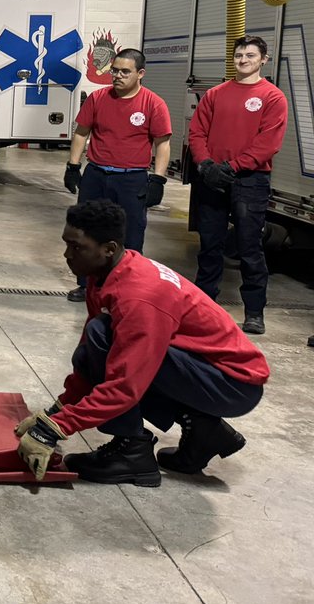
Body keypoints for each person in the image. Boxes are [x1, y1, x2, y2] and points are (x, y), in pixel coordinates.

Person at [14, 199, 269, 486]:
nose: (66, 255)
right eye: (66, 244)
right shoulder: (106, 275)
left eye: (77, 247)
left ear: (108, 249)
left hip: (232, 383)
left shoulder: (138, 297)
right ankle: (203, 432)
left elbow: (125, 386)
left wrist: (54, 429)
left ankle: (132, 452)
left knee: (109, 342)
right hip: (205, 370)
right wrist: (58, 410)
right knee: (100, 339)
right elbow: (89, 356)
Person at [187, 35, 288, 335]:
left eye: (250, 55)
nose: (243, 60)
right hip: (211, 178)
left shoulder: (272, 97)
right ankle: (203, 305)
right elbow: (196, 132)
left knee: (248, 247)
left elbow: (268, 143)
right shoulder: (215, 94)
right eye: (239, 55)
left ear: (263, 59)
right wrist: (205, 164)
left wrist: (233, 166)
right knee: (210, 245)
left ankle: (254, 312)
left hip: (250, 181)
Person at [63, 48, 171, 302]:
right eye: (115, 70)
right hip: (97, 175)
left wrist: (157, 179)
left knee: (131, 235)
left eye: (125, 71)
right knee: (87, 231)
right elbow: (81, 132)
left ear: (140, 73)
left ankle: (128, 287)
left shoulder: (153, 103)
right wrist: (73, 166)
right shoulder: (99, 98)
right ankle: (87, 285)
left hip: (131, 180)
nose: (118, 76)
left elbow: (162, 143)